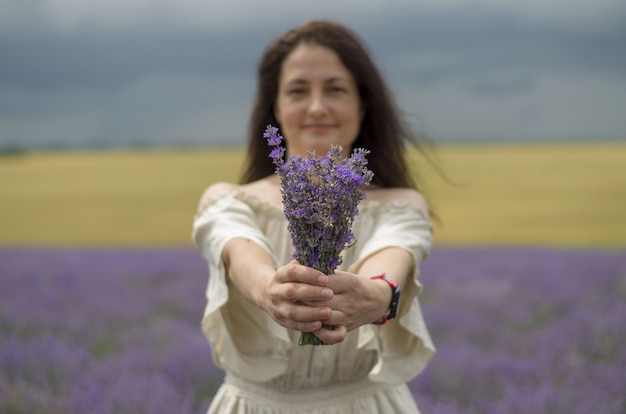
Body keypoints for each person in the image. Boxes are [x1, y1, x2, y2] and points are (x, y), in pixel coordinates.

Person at [192, 20, 435, 414]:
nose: (317, 107)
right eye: (298, 91)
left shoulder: (400, 204)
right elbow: (238, 249)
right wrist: (272, 291)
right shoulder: (230, 200)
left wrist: (375, 297)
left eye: (336, 89)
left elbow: (393, 256)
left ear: (362, 104)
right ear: (276, 107)